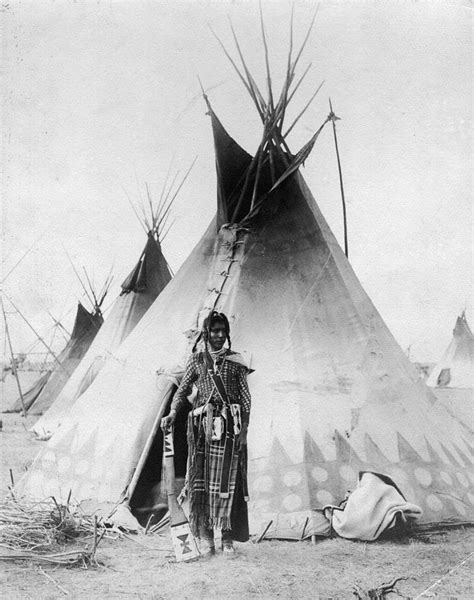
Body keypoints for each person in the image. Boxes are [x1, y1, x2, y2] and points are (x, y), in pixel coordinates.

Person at [161, 311, 251, 557]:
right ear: (206, 333)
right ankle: (207, 537)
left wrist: (244, 431)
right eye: (214, 331)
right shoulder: (196, 361)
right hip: (202, 431)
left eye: (223, 331)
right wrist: (172, 412)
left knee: (227, 484)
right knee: (202, 486)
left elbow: (245, 399)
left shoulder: (236, 362)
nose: (219, 335)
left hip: (230, 432)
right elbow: (182, 392)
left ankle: (228, 538)